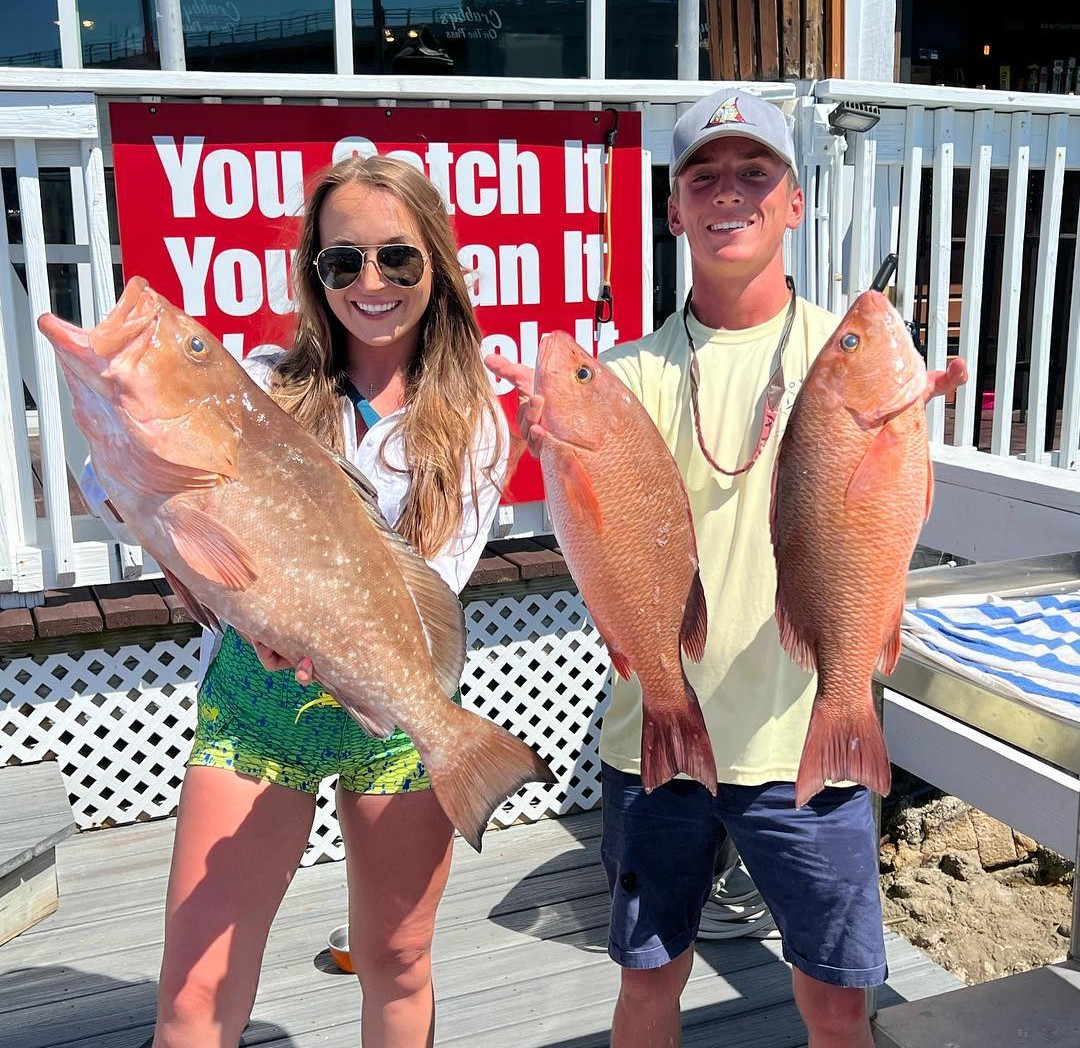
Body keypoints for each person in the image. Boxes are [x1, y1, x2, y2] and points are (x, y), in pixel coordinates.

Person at [486, 89, 966, 1048]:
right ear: (673, 208)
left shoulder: (847, 354)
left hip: (805, 736)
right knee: (648, 986)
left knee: (836, 1004)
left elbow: (885, 523)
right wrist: (558, 454)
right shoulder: (625, 377)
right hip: (655, 738)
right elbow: (603, 543)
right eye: (703, 176)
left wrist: (907, 439)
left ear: (794, 202)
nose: (729, 193)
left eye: (757, 173)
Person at [86, 153, 509, 1048]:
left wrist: (319, 633)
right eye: (340, 260)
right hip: (254, 699)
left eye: (398, 258)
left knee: (396, 966)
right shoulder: (264, 380)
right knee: (194, 998)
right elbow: (111, 485)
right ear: (315, 276)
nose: (372, 281)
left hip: (393, 711)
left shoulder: (478, 419)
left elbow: (435, 581)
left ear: (437, 264)